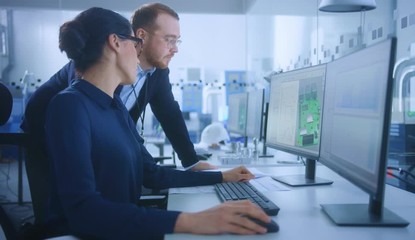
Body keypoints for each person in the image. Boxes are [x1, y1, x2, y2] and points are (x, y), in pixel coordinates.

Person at [44, 7, 271, 239]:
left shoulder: (116, 108)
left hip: (118, 228)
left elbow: (152, 174)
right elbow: (83, 211)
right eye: (134, 44)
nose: (138, 54)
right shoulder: (70, 106)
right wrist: (190, 221)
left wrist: (222, 177)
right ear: (115, 43)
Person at [21, 2, 215, 171]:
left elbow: (169, 114)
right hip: (43, 133)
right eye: (169, 40)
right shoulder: (99, 62)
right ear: (141, 35)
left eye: (176, 41)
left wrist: (190, 161)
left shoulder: (158, 71)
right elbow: (83, 109)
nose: (175, 49)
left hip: (89, 142)